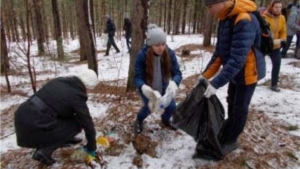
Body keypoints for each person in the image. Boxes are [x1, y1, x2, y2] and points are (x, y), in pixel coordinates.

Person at [195, 0, 266, 159]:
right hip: (233, 72)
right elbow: (219, 53)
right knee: (231, 101)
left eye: (210, 6)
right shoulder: (224, 19)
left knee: (240, 107)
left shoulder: (243, 19)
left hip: (248, 73)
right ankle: (230, 128)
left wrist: (216, 83)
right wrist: (205, 76)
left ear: (221, 3)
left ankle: (232, 139)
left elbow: (238, 59)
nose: (209, 11)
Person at [14, 69, 99, 166]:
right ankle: (44, 151)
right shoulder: (76, 95)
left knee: (71, 117)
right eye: (89, 88)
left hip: (22, 118)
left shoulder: (60, 81)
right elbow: (86, 122)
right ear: (87, 85)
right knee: (78, 122)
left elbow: (59, 107)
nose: (88, 91)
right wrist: (92, 146)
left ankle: (65, 138)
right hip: (33, 127)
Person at [133, 24, 182, 134]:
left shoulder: (169, 53)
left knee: (172, 106)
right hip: (148, 86)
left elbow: (177, 73)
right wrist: (143, 87)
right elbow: (137, 77)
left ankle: (165, 120)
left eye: (163, 44)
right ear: (150, 45)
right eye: (157, 45)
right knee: (150, 107)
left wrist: (174, 83)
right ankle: (139, 120)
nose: (161, 48)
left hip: (164, 84)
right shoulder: (142, 55)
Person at [263, 0, 287, 92]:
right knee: (257, 64)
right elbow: (263, 33)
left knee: (277, 64)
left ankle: (274, 84)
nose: (278, 9)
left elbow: (283, 32)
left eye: (280, 7)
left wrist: (283, 40)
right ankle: (252, 81)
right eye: (276, 7)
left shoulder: (282, 18)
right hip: (264, 46)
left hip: (276, 46)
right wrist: (272, 41)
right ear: (271, 7)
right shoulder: (264, 17)